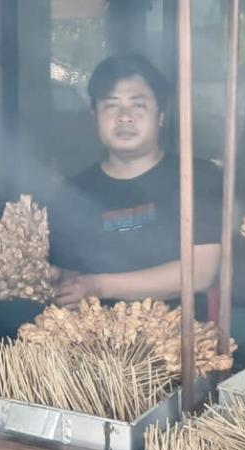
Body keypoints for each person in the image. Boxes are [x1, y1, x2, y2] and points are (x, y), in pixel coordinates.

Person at [46, 54, 222, 308]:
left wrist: (99, 286)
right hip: (96, 340)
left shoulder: (197, 177)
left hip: (182, 339)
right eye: (111, 105)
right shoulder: (71, 193)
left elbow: (201, 272)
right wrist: (47, 278)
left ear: (160, 116)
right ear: (94, 115)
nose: (124, 117)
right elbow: (70, 279)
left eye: (138, 105)